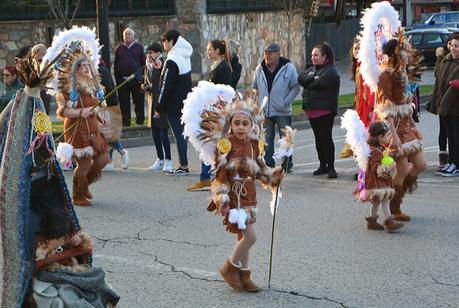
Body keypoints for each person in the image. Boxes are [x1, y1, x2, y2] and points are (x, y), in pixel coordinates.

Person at [181, 82, 283, 292]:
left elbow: (260, 169)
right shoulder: (225, 144)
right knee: (251, 237)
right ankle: (229, 267)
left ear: (252, 125)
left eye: (245, 123)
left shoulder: (255, 144)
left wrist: (274, 176)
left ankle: (244, 276)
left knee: (242, 237)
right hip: (234, 197)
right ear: (231, 124)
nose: (241, 127)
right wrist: (222, 199)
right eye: (236, 123)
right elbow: (220, 175)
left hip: (250, 198)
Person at [54, 33, 110, 207]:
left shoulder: (93, 86)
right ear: (76, 69)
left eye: (88, 65)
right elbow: (63, 111)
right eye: (83, 66)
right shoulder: (70, 88)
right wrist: (80, 112)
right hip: (77, 130)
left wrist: (100, 116)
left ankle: (84, 185)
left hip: (93, 129)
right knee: (84, 164)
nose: (87, 68)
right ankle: (77, 195)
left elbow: (95, 107)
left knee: (103, 159)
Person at [375, 37, 427, 221]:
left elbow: (407, 102)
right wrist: (394, 136)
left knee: (421, 165)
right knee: (402, 169)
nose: (408, 52)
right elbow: (385, 108)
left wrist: (414, 125)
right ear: (396, 53)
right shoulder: (385, 75)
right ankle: (394, 207)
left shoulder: (402, 71)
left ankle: (396, 198)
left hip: (406, 125)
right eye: (405, 49)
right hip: (393, 127)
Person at [187, 39, 232, 191]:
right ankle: (210, 176)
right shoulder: (217, 66)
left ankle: (209, 177)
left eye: (210, 49)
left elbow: (222, 91)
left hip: (218, 111)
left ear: (218, 51)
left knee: (209, 142)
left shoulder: (223, 67)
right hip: (213, 110)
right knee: (211, 143)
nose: (208, 52)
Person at [252, 42, 300, 172]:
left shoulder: (288, 67)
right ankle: (268, 163)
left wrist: (285, 102)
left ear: (278, 53)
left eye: (271, 53)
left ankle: (287, 164)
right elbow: (254, 88)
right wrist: (257, 105)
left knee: (285, 138)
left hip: (282, 111)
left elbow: (295, 87)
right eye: (266, 52)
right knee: (267, 139)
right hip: (265, 111)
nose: (267, 55)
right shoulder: (259, 69)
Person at [298, 42, 340, 178]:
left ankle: (331, 167)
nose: (313, 58)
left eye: (316, 55)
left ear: (324, 56)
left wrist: (310, 81)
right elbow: (301, 79)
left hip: (325, 111)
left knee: (326, 139)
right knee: (318, 139)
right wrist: (311, 77)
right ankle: (323, 166)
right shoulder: (312, 69)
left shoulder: (331, 71)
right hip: (312, 111)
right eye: (312, 55)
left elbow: (319, 84)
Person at [354, 121, 403, 233]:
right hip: (377, 182)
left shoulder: (374, 149)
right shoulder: (375, 151)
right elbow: (378, 169)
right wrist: (389, 167)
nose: (390, 137)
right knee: (385, 199)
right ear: (380, 137)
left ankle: (372, 221)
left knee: (376, 201)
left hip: (374, 181)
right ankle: (389, 222)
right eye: (388, 135)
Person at [157, 29, 192, 175]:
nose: (163, 44)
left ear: (171, 41)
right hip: (184, 101)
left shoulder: (172, 60)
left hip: (173, 104)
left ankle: (183, 166)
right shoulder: (184, 56)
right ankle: (183, 164)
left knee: (179, 135)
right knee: (181, 134)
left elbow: (166, 85)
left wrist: (159, 106)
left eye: (164, 41)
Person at [340, 37, 375, 159]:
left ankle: (366, 169)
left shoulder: (365, 67)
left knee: (365, 137)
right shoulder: (358, 66)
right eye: (355, 48)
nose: (356, 51)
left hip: (366, 108)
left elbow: (370, 90)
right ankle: (363, 167)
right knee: (361, 137)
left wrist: (371, 110)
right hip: (360, 106)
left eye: (359, 48)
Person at [430, 33, 459, 176]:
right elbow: (438, 82)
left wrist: (456, 84)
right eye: (452, 45)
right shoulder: (445, 61)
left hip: (456, 107)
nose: (453, 48)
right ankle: (452, 162)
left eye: (457, 46)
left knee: (456, 136)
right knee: (450, 137)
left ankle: (456, 165)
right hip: (445, 106)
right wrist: (435, 103)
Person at [142, 43, 173, 172]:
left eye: (151, 53)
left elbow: (162, 85)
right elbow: (147, 82)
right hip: (151, 102)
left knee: (163, 131)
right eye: (148, 53)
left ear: (158, 53)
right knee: (154, 131)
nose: (149, 55)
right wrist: (144, 87)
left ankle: (168, 160)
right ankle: (159, 158)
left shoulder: (163, 65)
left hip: (161, 102)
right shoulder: (147, 66)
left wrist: (150, 88)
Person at [98, 58, 129, 170]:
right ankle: (110, 160)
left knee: (108, 132)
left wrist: (100, 96)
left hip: (107, 105)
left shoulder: (100, 70)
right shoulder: (101, 68)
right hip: (107, 104)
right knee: (107, 132)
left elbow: (108, 88)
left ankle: (121, 152)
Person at [114, 28, 146, 127]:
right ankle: (126, 123)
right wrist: (118, 79)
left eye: (129, 34)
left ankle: (139, 122)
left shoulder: (139, 47)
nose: (127, 36)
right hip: (123, 80)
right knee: (124, 102)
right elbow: (116, 65)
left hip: (136, 79)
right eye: (125, 34)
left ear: (133, 36)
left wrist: (142, 77)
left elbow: (144, 63)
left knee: (139, 101)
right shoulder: (119, 48)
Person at [31, 43, 52, 114]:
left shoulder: (45, 64)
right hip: (34, 92)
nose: (32, 54)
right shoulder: (33, 63)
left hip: (41, 92)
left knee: (42, 116)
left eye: (33, 52)